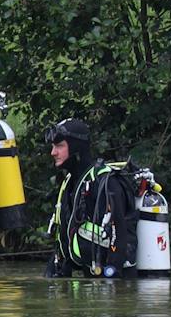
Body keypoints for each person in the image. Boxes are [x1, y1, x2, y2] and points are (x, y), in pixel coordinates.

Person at [44, 117, 138, 278]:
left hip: (114, 279)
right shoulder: (69, 182)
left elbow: (119, 236)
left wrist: (111, 276)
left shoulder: (105, 183)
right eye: (53, 146)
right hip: (90, 276)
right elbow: (64, 234)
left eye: (59, 146)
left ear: (76, 148)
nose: (53, 152)